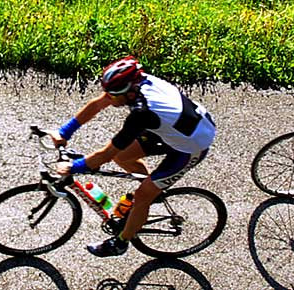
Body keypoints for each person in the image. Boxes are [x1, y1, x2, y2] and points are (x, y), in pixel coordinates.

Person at [49, 56, 216, 257]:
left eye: (113, 94)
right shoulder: (137, 82)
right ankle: (150, 197)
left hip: (192, 145)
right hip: (176, 126)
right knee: (123, 157)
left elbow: (106, 154)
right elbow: (97, 104)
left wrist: (73, 167)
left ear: (128, 93)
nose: (109, 98)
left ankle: (121, 242)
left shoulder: (141, 113)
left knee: (142, 195)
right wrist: (64, 132)